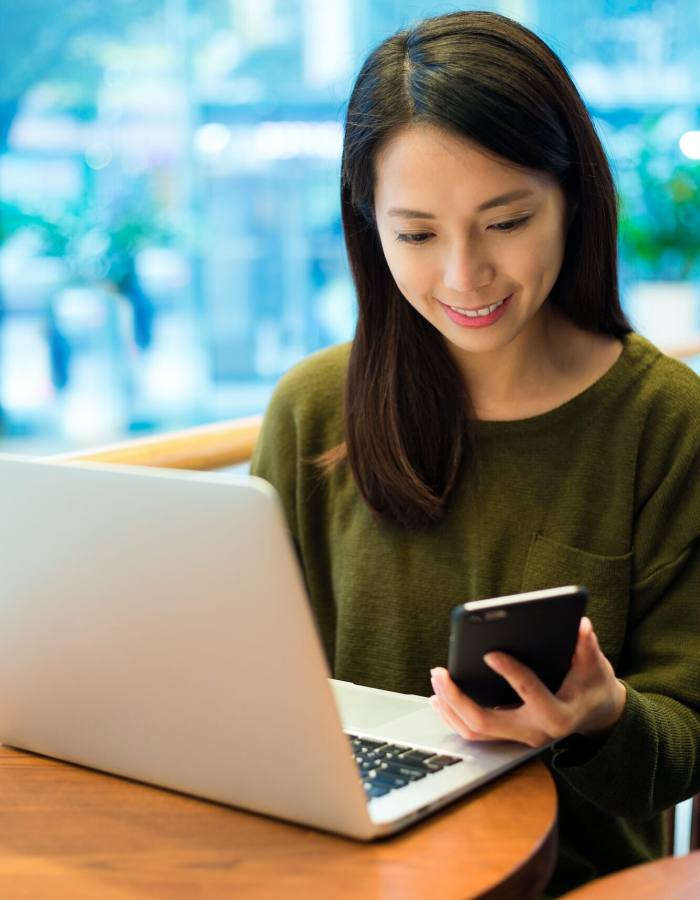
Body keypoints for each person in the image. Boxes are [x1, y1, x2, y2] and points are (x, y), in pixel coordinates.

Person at [250, 10, 700, 897]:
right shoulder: (312, 410)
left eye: (505, 221)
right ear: (367, 227)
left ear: (573, 196)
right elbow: (250, 684)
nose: (464, 276)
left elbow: (683, 749)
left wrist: (600, 717)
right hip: (336, 871)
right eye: (416, 234)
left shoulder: (666, 425)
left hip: (560, 881)